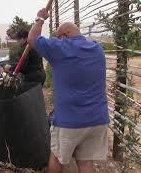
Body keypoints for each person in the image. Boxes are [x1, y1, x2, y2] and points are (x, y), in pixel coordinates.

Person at [28, 9, 109, 173]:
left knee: (57, 158)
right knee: (86, 163)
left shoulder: (60, 48)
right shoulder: (97, 49)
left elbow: (32, 38)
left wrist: (40, 18)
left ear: (64, 35)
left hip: (69, 120)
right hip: (97, 119)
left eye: (59, 37)